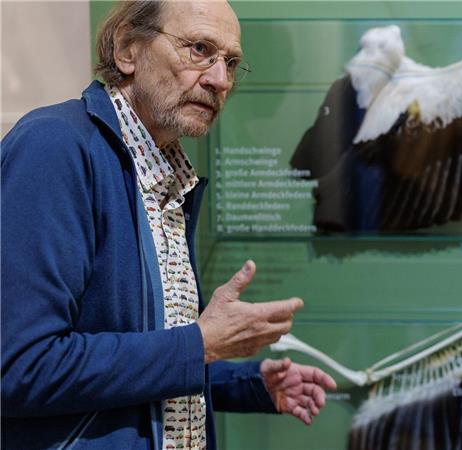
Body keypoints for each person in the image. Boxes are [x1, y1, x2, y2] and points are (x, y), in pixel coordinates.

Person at [0, 1, 336, 449]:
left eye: (231, 63)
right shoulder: (56, 147)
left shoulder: (166, 171)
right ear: (127, 50)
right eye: (199, 49)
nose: (220, 80)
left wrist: (248, 383)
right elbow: (20, 367)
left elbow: (146, 353)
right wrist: (201, 344)